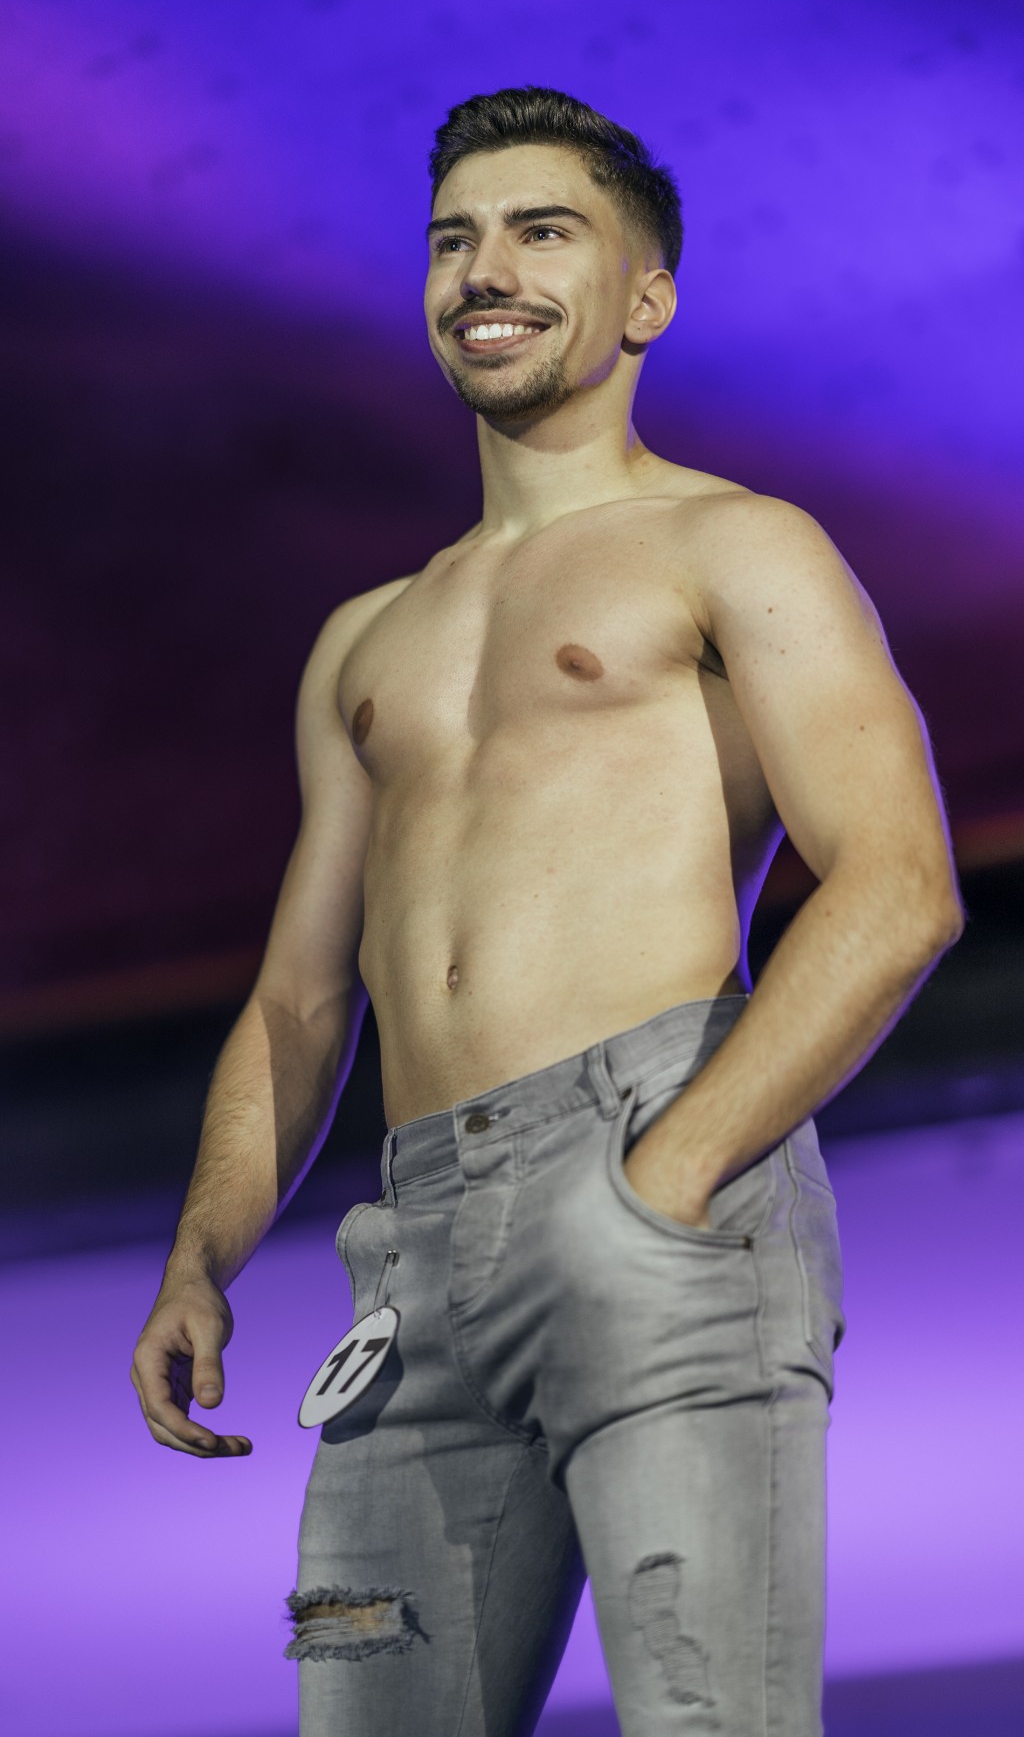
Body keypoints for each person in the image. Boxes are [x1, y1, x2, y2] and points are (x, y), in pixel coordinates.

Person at [131, 86, 964, 1736]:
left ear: (645, 298)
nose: (485, 269)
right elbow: (302, 997)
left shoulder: (736, 544)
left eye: (542, 230)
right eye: (454, 238)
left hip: (656, 1170)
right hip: (411, 1261)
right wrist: (201, 1251)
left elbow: (900, 885)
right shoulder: (364, 638)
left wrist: (667, 1175)